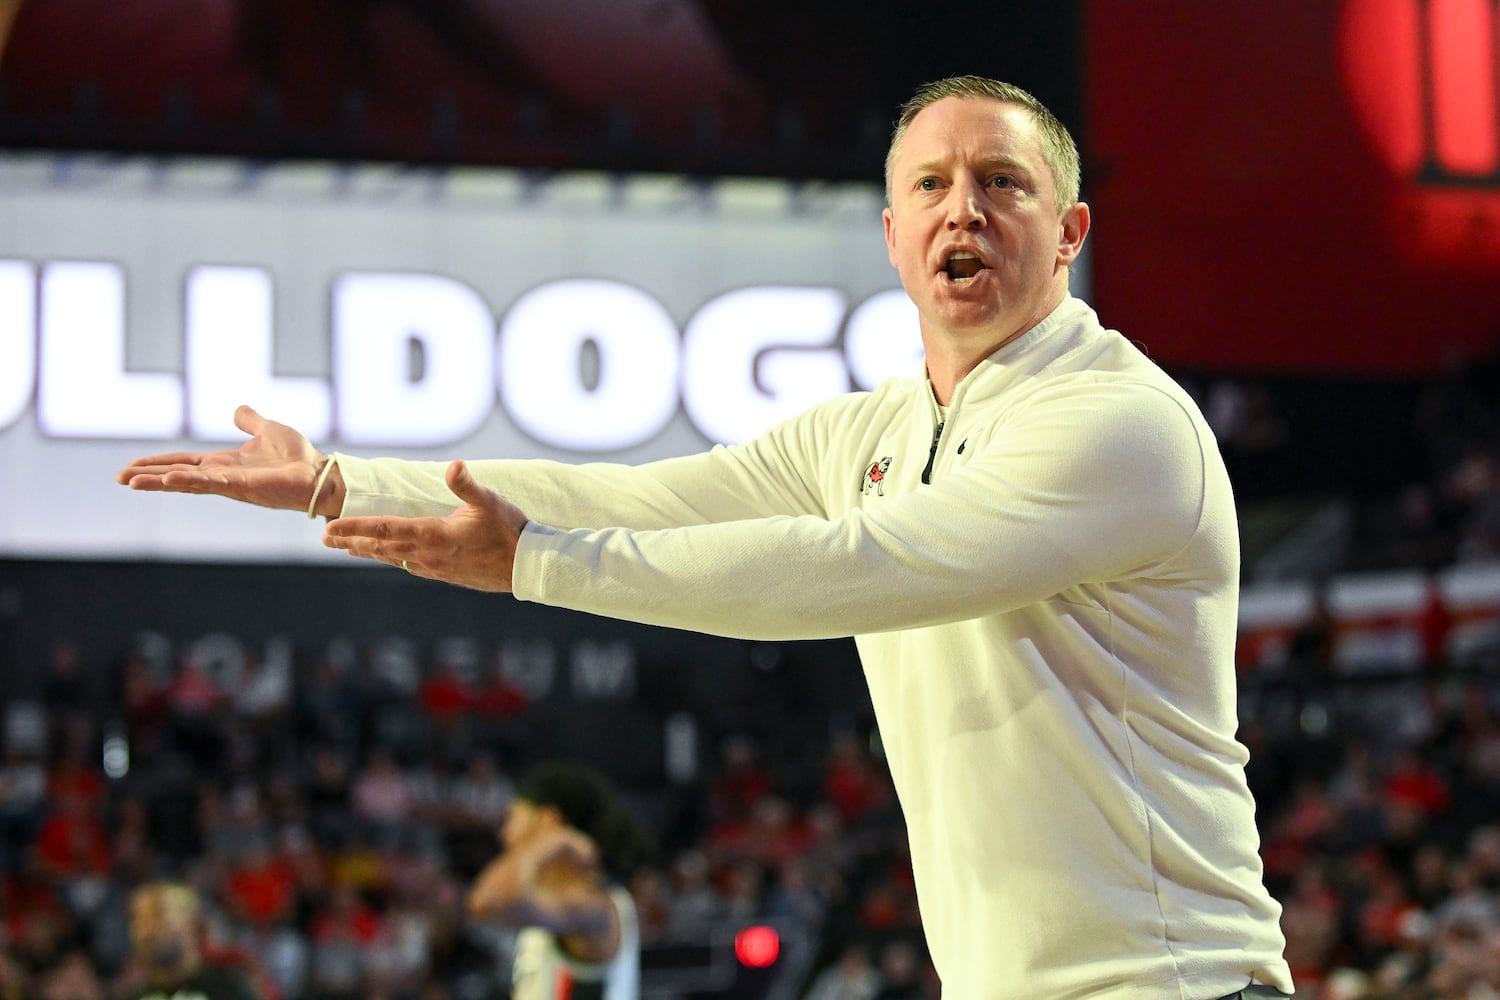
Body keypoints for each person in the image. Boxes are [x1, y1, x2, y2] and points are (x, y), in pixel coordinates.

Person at [118, 74, 1295, 997]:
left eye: (1002, 181)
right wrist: (335, 477)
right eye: (931, 186)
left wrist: (534, 563)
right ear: (892, 235)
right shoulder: (870, 432)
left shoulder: (1118, 422)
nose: (964, 209)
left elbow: (857, 568)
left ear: (1072, 227)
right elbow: (643, 498)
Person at [466, 762, 646, 999]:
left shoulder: (593, 904)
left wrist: (551, 840)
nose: (504, 832)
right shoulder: (557, 898)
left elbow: (489, 900)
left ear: (548, 819)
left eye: (513, 816)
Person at [116, 881, 264, 1000]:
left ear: (193, 923)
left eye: (160, 914)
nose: (148, 929)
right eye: (138, 919)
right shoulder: (134, 996)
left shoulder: (229, 985)